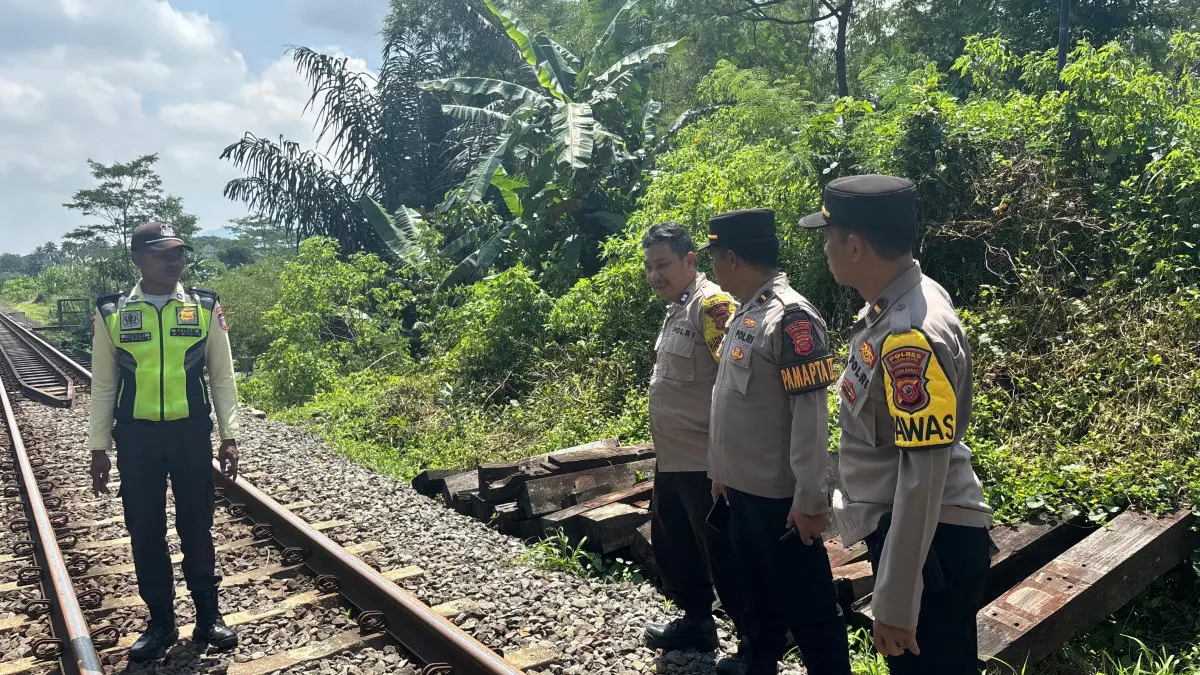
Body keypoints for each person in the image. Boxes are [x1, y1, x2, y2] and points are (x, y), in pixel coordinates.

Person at [800, 174, 994, 673]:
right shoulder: (895, 307)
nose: (825, 247)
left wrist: (896, 603)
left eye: (828, 235)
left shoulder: (908, 333)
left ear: (856, 245)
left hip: (929, 542)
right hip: (921, 535)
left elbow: (921, 478)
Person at [703, 208, 852, 675]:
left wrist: (810, 500)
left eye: (713, 258)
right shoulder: (747, 311)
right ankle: (757, 662)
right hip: (744, 489)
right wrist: (720, 476)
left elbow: (810, 418)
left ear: (731, 257)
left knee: (809, 606)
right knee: (755, 593)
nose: (712, 269)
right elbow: (729, 404)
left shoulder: (791, 318)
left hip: (781, 498)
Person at [87, 221, 241, 662]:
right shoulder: (112, 309)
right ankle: (160, 621)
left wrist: (230, 435)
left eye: (179, 254)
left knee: (197, 523)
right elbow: (102, 384)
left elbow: (222, 377)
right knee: (145, 530)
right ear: (137, 258)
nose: (174, 262)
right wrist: (98, 447)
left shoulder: (204, 306)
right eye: (162, 254)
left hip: (190, 432)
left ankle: (208, 616)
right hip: (136, 438)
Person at [639, 222, 749, 663]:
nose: (654, 275)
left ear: (690, 260)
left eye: (663, 265)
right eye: (649, 267)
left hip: (706, 462)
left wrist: (726, 461)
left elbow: (738, 384)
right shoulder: (677, 308)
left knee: (725, 555)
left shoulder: (713, 306)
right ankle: (698, 623)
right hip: (672, 458)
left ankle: (752, 643)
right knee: (675, 544)